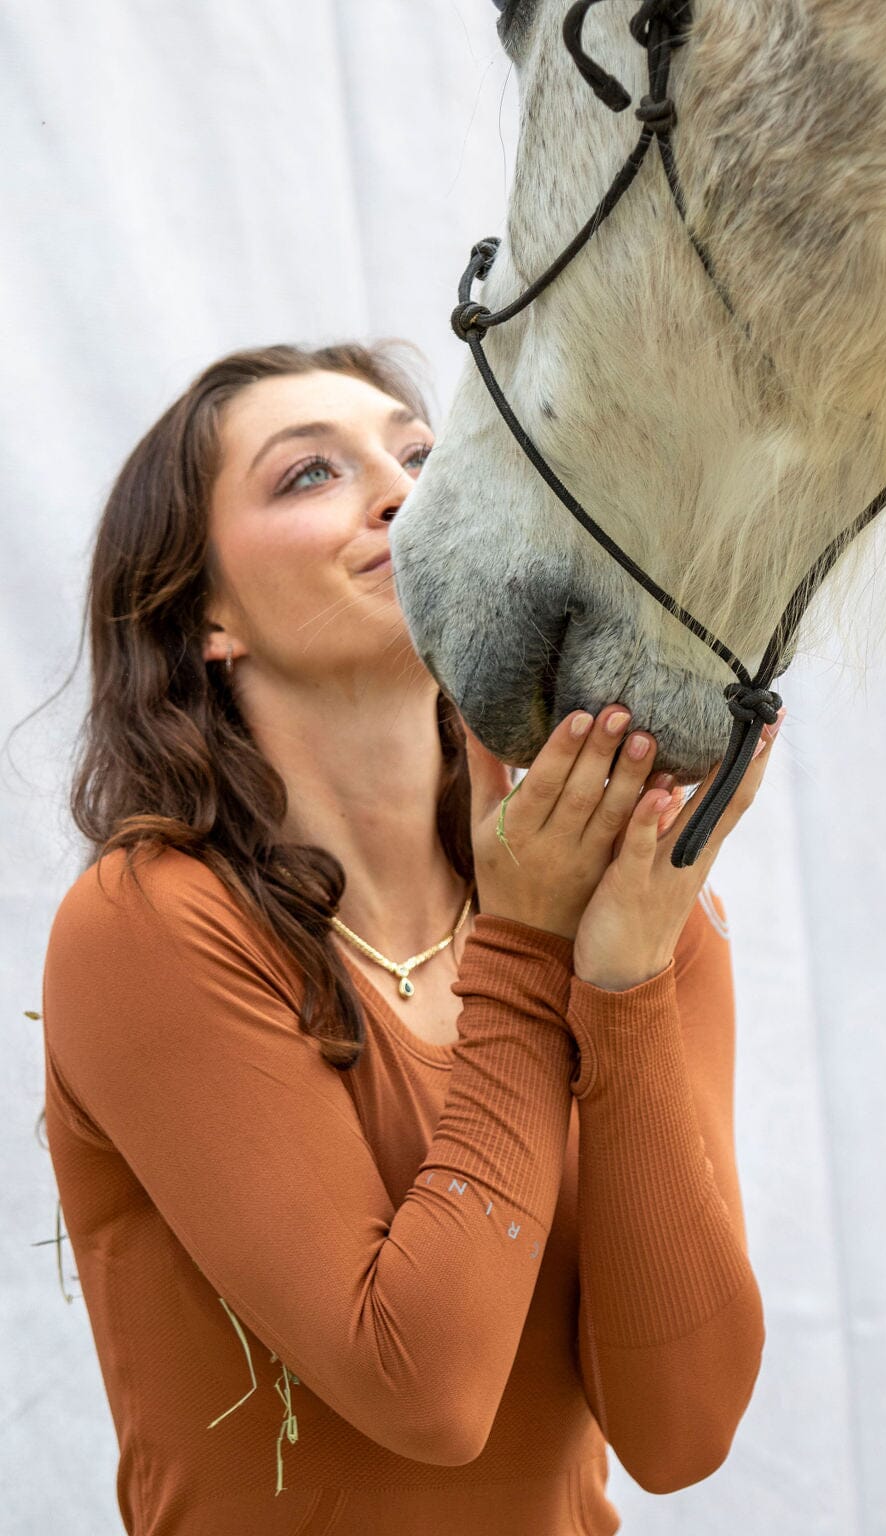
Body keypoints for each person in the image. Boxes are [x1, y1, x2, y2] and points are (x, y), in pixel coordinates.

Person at [41, 339, 783, 1535]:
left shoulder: (623, 909)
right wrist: (532, 953)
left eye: (419, 457)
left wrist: (629, 980)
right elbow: (424, 1389)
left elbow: (680, 1432)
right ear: (203, 615)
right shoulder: (148, 924)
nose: (402, 491)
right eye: (308, 476)